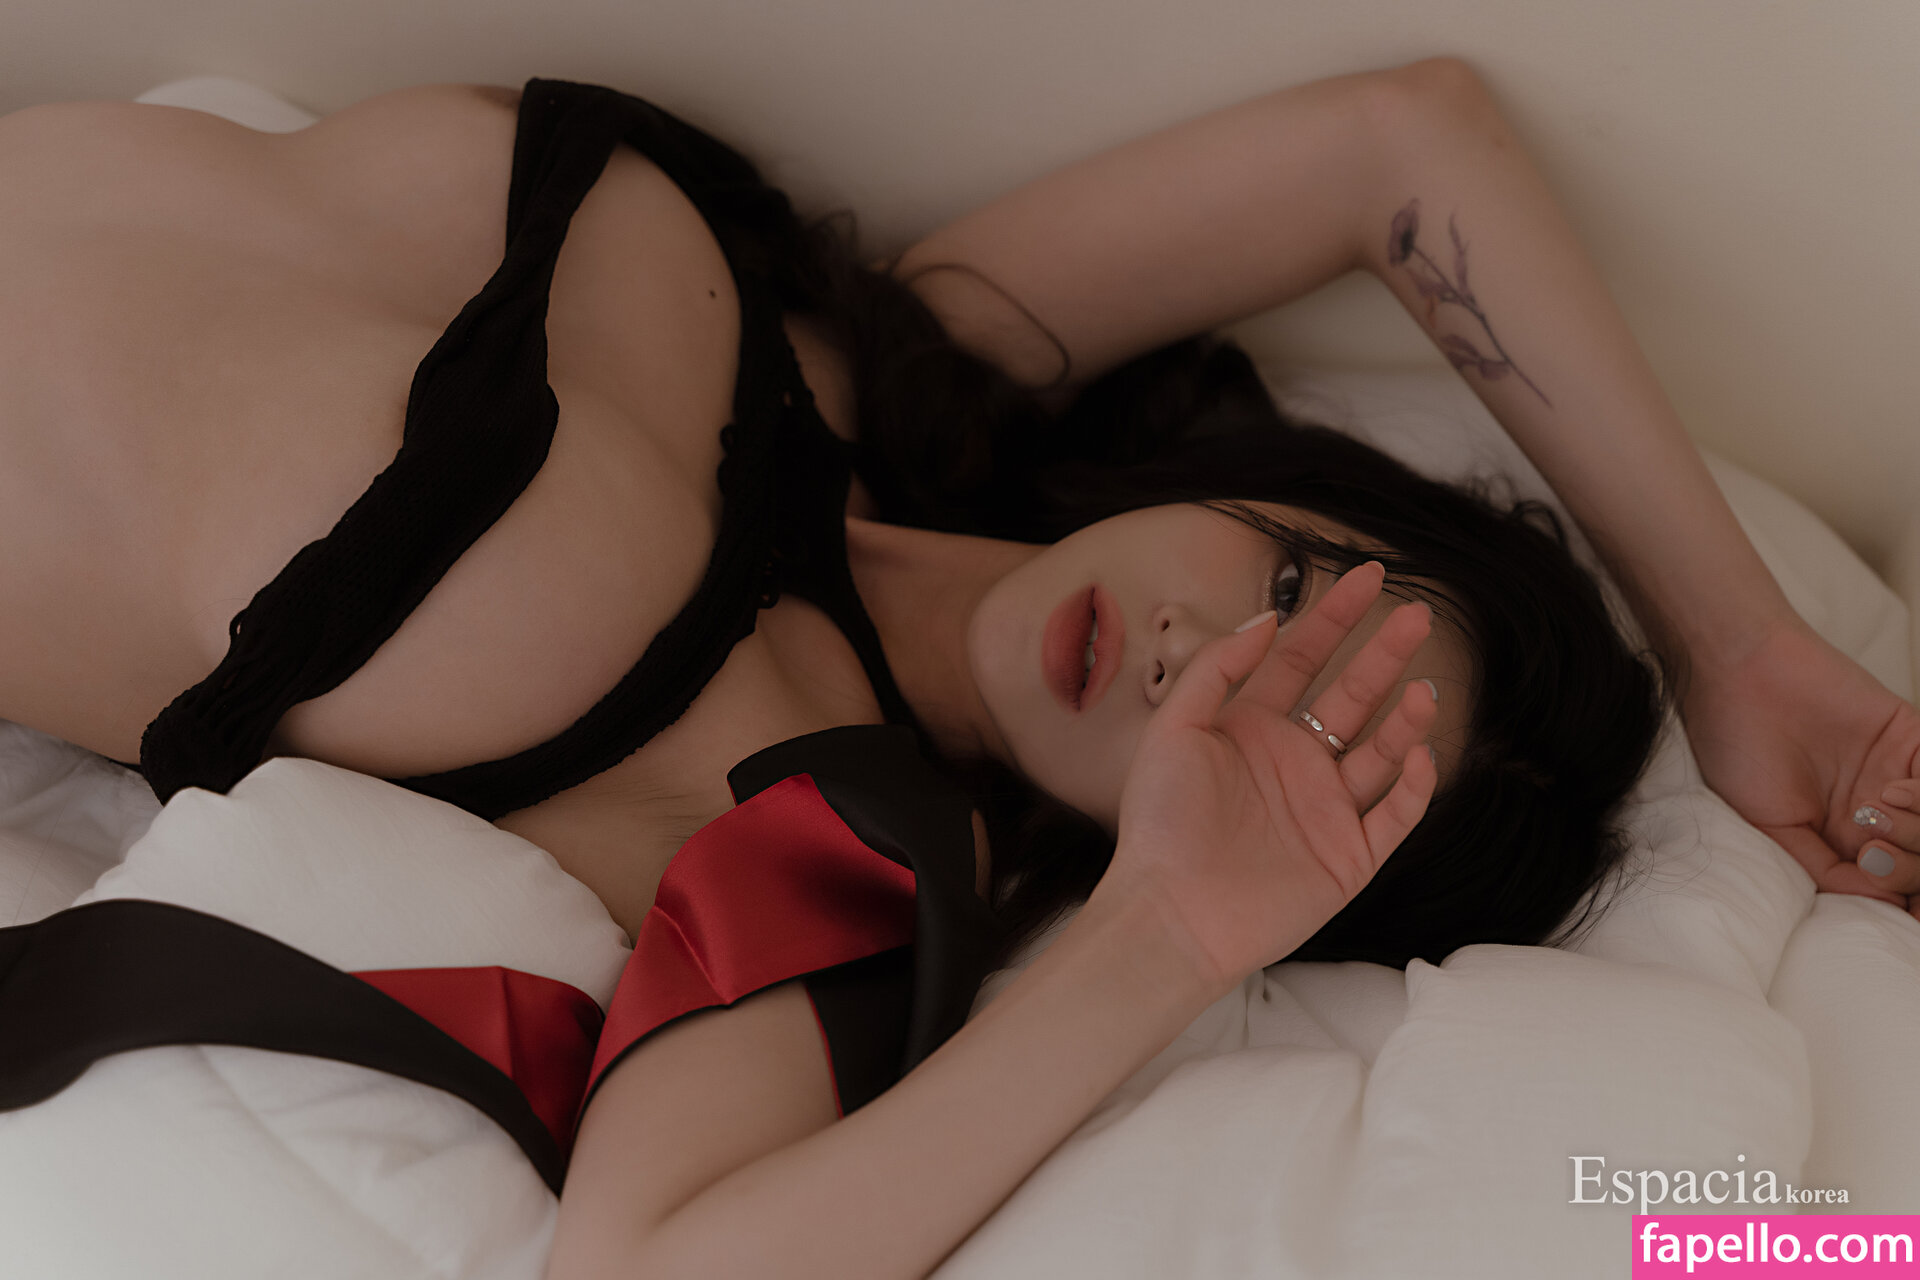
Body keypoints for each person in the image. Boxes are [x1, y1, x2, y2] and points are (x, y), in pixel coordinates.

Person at [0, 57, 1911, 1277]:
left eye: (1272, 721)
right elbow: (1401, 142)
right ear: (1273, 491)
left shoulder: (811, 816)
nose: (1195, 655)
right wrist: (1741, 647)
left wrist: (1170, 933)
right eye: (1292, 583)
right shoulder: (901, 360)